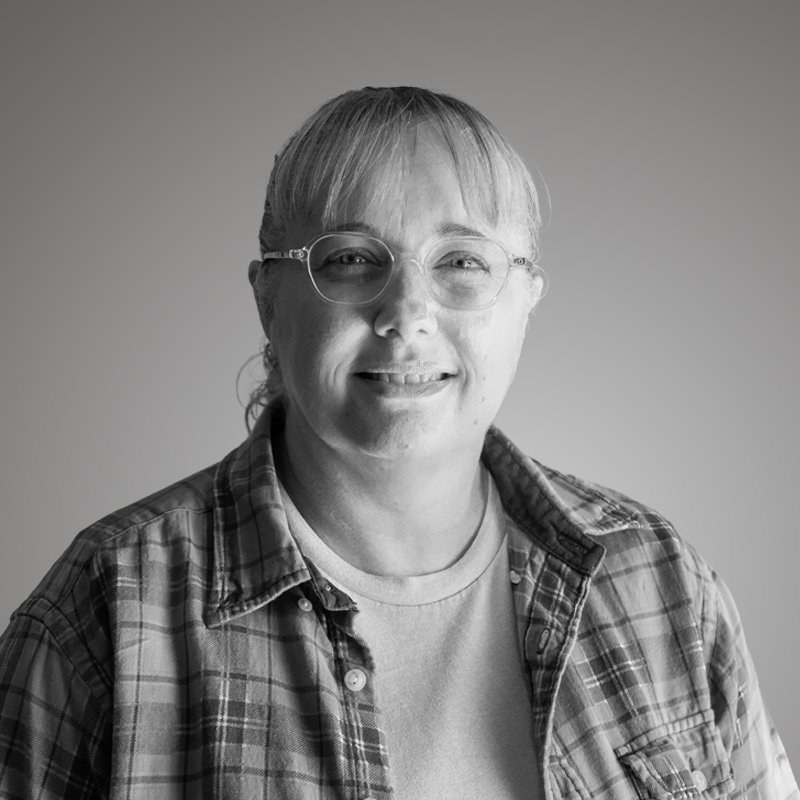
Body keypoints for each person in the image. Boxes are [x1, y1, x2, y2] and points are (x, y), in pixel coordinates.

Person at [0, 86, 795, 800]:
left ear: (526, 299)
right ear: (269, 298)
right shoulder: (106, 608)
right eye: (351, 259)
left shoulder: (661, 580)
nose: (407, 312)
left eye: (461, 261)